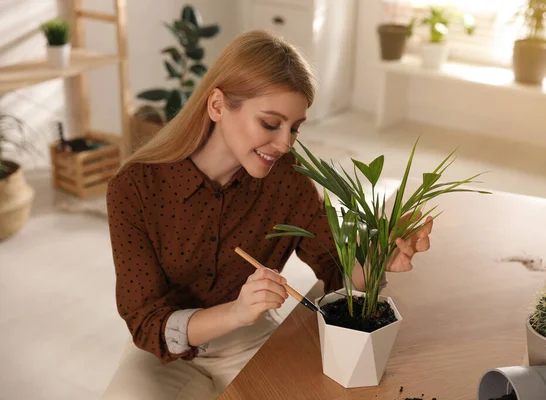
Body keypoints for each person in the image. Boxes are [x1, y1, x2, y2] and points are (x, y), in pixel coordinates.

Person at [102, 30, 433, 400]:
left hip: (250, 340)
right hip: (164, 353)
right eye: (270, 124)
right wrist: (237, 311)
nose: (285, 143)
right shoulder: (134, 188)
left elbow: (333, 267)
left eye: (295, 127)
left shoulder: (289, 181)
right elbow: (146, 321)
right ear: (217, 106)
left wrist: (378, 261)